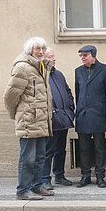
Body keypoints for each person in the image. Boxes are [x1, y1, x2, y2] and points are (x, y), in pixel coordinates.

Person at [3, 36, 55, 200]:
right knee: (28, 158)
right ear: (29, 50)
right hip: (28, 120)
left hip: (41, 120)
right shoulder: (23, 68)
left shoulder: (41, 66)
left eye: (43, 49)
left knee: (40, 156)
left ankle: (36, 186)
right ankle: (23, 190)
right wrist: (17, 115)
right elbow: (9, 96)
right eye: (37, 49)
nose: (41, 52)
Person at [74, 45, 106, 188]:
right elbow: (78, 93)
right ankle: (85, 175)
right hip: (83, 114)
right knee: (84, 147)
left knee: (99, 146)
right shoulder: (78, 71)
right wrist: (78, 111)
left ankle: (100, 176)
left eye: (85, 55)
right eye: (81, 55)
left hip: (98, 113)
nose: (82, 57)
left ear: (93, 55)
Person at [41, 48, 75, 190]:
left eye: (54, 56)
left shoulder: (59, 74)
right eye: (50, 57)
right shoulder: (41, 75)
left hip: (64, 118)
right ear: (43, 59)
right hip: (51, 119)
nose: (54, 59)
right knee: (48, 150)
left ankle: (59, 175)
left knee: (61, 149)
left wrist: (70, 109)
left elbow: (67, 92)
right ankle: (45, 179)